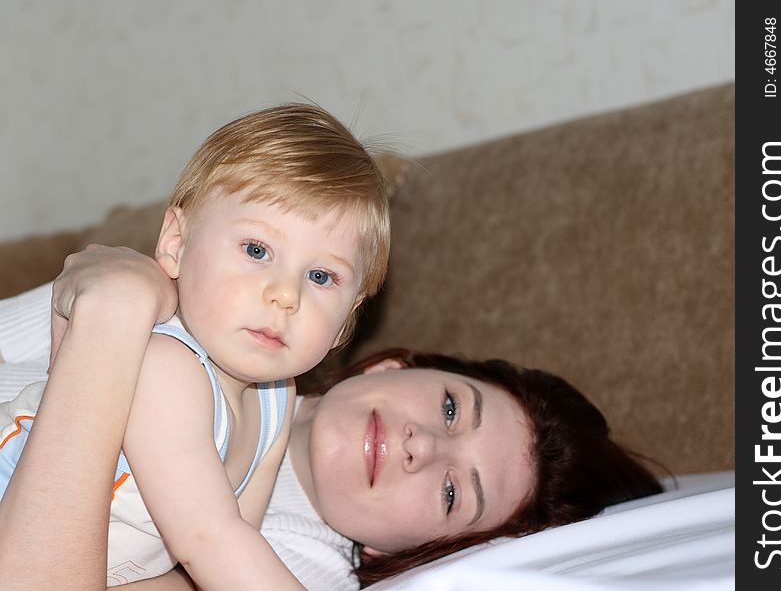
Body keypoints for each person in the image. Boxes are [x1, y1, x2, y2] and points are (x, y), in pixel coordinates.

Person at [0, 248, 663, 591]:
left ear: (398, 551)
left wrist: (112, 312)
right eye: (451, 408)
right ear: (391, 367)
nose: (420, 447)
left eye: (452, 492)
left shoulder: (293, 567)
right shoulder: (229, 317)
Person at [0, 102, 390, 591]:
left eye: (320, 276)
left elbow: (229, 547)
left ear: (344, 325)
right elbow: (208, 539)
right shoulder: (165, 367)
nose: (285, 295)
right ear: (175, 244)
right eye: (256, 250)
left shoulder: (276, 397)